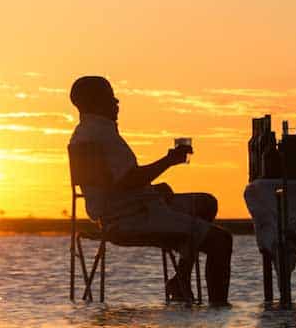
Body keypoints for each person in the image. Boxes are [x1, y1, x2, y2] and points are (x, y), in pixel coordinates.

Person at [68, 75, 234, 305]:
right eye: (111, 97)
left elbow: (114, 185)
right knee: (221, 240)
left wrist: (153, 189)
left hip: (118, 212)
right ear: (96, 101)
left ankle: (182, 278)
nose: (117, 102)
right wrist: (168, 161)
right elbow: (129, 179)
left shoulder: (82, 134)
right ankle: (219, 315)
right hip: (134, 216)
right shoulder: (103, 135)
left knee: (206, 203)